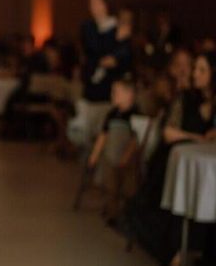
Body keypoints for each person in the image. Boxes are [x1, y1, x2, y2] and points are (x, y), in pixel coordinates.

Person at [126, 52, 216, 265]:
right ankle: (179, 251)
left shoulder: (212, 103)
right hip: (172, 160)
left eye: (201, 70)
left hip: (202, 164)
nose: (194, 74)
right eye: (195, 68)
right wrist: (198, 138)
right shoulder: (184, 98)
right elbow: (168, 133)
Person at [86, 76, 140, 221]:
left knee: (129, 188)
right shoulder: (111, 114)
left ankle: (128, 215)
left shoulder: (135, 115)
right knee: (111, 187)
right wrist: (94, 155)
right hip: (111, 157)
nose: (112, 96)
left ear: (129, 94)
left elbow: (136, 139)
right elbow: (103, 135)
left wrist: (127, 156)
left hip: (128, 159)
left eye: (116, 92)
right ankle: (113, 214)